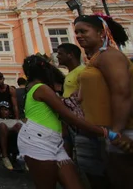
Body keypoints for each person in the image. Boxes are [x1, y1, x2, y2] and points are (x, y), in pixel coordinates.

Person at [17, 55, 130, 189]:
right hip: (37, 141)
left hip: (52, 141)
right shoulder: (41, 88)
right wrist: (106, 132)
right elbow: (70, 116)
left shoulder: (34, 87)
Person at [75, 14, 133, 188]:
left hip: (120, 132)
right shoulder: (96, 58)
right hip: (104, 132)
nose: (78, 36)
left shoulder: (109, 56)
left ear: (101, 32)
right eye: (76, 32)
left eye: (84, 31)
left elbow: (122, 91)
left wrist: (116, 131)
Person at [0, 100, 23, 170]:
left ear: (9, 111)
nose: (3, 111)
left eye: (6, 110)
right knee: (2, 126)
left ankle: (22, 154)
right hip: (1, 137)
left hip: (14, 137)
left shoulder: (15, 121)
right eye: (1, 110)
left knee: (19, 125)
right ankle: (5, 156)